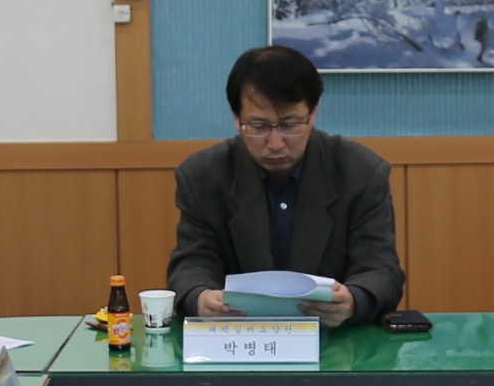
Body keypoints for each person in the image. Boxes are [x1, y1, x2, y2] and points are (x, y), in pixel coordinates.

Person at [167, 46, 403, 325]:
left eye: (290, 125)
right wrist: (200, 298)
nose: (276, 143)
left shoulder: (361, 172)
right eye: (259, 126)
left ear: (313, 112)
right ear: (236, 117)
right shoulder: (203, 176)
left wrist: (353, 301)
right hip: (238, 337)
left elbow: (381, 270)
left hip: (336, 339)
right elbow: (191, 265)